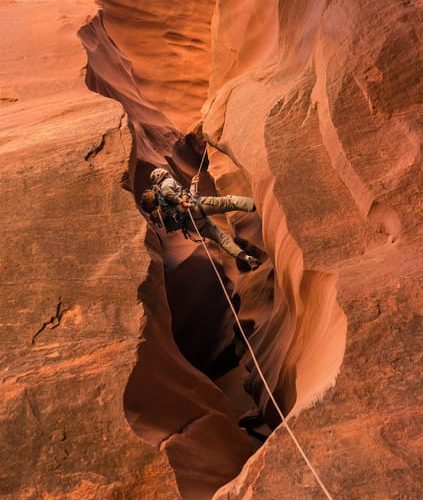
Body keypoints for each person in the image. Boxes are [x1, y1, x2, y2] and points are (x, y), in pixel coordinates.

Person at [141, 168, 261, 270]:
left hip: (192, 224)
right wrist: (182, 202)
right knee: (227, 202)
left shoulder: (164, 204)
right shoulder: (166, 183)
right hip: (195, 208)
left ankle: (247, 258)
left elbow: (186, 196)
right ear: (163, 174)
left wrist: (193, 185)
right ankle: (257, 204)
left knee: (221, 238)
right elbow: (176, 195)